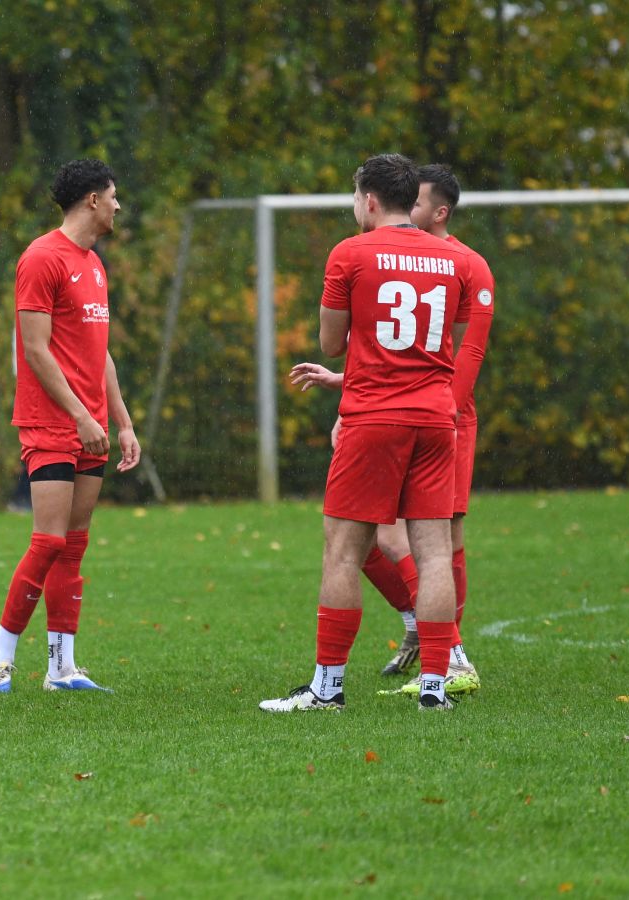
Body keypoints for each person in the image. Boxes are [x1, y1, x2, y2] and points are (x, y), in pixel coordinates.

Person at [261, 153, 472, 713]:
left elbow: (333, 342)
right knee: (432, 556)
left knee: (343, 554)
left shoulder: (351, 252)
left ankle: (326, 689)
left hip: (375, 417)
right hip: (434, 418)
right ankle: (434, 689)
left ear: (370, 200)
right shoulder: (451, 258)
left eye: (355, 198)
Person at [0, 158, 141, 695]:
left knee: (74, 545)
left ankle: (61, 668)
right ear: (92, 200)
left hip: (91, 425)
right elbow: (34, 349)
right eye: (114, 196)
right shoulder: (42, 258)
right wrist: (78, 414)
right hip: (51, 423)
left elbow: (101, 354)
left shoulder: (95, 265)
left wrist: (122, 423)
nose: (119, 205)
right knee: (47, 540)